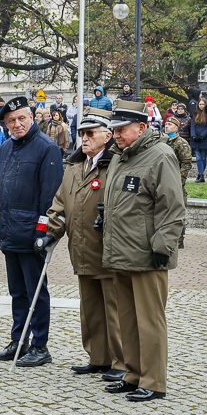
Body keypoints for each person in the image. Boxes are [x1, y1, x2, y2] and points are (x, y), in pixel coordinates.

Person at [101, 100, 185, 402]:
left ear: (141, 127)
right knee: (128, 319)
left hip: (148, 254)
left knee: (149, 321)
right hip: (122, 251)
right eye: (115, 130)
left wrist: (163, 246)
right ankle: (133, 374)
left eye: (122, 129)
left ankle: (153, 380)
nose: (117, 135)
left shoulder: (161, 156)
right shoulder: (122, 157)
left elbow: (173, 206)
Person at [37, 109, 124, 378]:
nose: (84, 139)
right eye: (82, 134)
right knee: (90, 308)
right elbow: (60, 204)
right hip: (81, 249)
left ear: (107, 136)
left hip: (107, 249)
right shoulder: (75, 167)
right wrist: (52, 231)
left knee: (115, 308)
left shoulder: (116, 165)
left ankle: (121, 363)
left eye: (90, 133)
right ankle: (98, 357)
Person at [0, 96, 63, 367]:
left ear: (32, 118)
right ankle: (19, 341)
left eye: (22, 118)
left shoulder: (47, 148)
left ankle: (40, 345)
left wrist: (44, 233)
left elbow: (51, 197)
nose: (17, 124)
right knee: (17, 291)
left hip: (32, 234)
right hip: (10, 230)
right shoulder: (7, 147)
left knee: (36, 292)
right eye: (11, 121)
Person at [161, 117, 192, 248]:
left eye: (170, 124)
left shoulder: (181, 143)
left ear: (176, 128)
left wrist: (180, 182)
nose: (166, 126)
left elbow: (186, 163)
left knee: (178, 212)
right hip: (163, 181)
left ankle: (179, 239)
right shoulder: (162, 141)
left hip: (176, 182)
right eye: (166, 124)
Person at [189, 97, 207, 182]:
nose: (201, 106)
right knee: (198, 158)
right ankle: (201, 175)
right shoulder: (195, 113)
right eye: (200, 104)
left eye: (203, 104)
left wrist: (202, 136)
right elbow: (192, 125)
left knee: (203, 158)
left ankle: (201, 174)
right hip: (195, 139)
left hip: (205, 139)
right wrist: (194, 136)